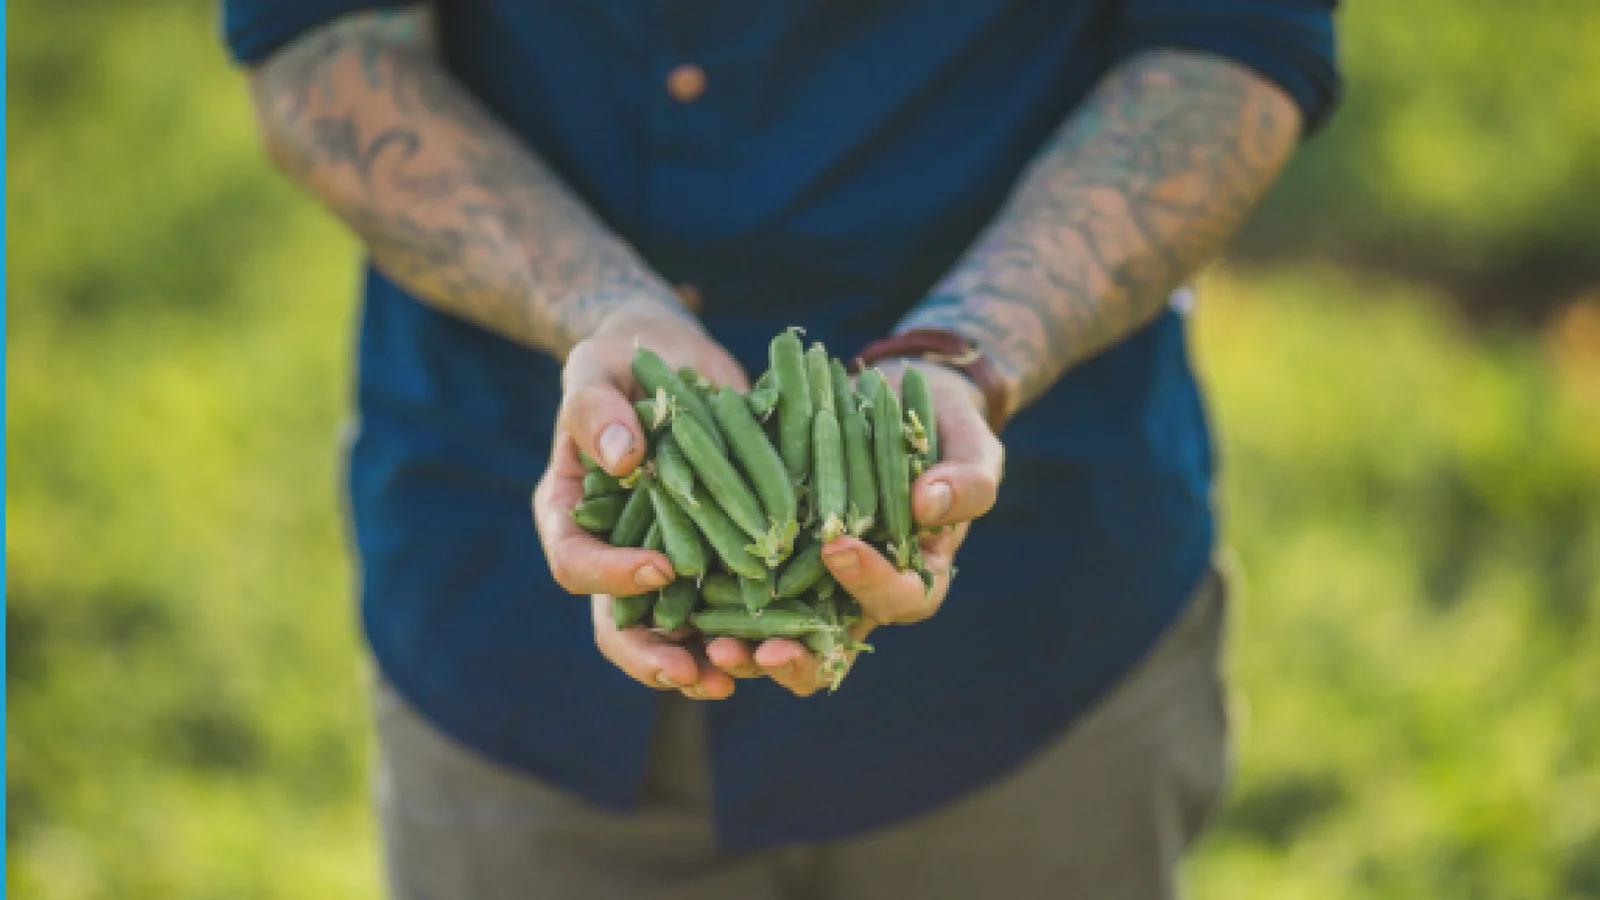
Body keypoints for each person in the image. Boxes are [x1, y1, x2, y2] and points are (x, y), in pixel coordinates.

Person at [225, 1, 1339, 896]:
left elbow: (1227, 46)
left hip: (1035, 635)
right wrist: (598, 305)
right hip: (504, 622)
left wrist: (969, 350)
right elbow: (322, 48)